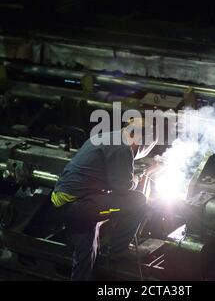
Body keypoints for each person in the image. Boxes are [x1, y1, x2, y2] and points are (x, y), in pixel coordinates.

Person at [49, 118, 157, 280]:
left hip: (66, 202)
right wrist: (138, 177)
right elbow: (124, 187)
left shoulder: (105, 137)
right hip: (80, 208)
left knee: (87, 252)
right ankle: (118, 250)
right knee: (138, 201)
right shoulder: (122, 147)